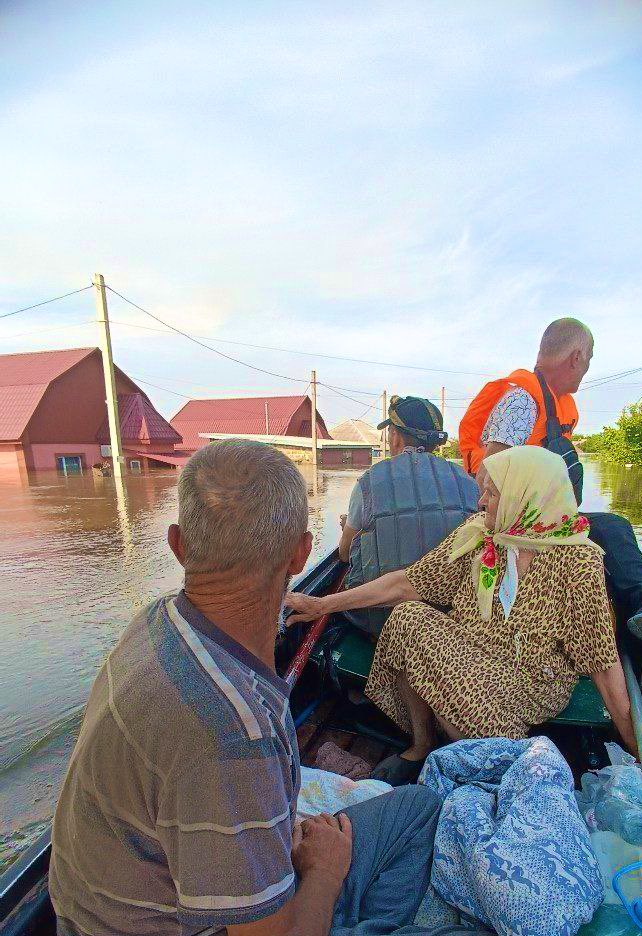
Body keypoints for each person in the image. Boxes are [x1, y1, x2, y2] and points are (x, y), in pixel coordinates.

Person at [49, 439, 485, 936]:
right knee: (422, 809)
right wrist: (325, 870)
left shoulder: (149, 623)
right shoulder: (236, 735)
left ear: (177, 544)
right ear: (301, 554)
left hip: (86, 916)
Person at [286, 447, 637, 786]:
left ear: (524, 495)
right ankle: (423, 747)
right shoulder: (480, 535)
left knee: (461, 691)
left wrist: (633, 746)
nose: (481, 501)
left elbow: (602, 666)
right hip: (470, 647)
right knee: (408, 617)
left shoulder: (577, 561)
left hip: (527, 679)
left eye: (493, 494)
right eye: (483, 491)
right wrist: (321, 606)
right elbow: (406, 584)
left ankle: (484, 761)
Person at [458, 317, 642, 638]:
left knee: (612, 530)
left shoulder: (555, 405)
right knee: (615, 527)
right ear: (577, 357)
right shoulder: (523, 401)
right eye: (588, 359)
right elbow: (490, 474)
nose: (586, 369)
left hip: (544, 518)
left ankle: (632, 613)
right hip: (519, 521)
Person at [339, 395, 479, 635]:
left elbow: (343, 555)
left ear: (395, 436)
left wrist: (353, 532)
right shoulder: (469, 482)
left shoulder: (369, 482)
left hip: (379, 622)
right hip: (450, 621)